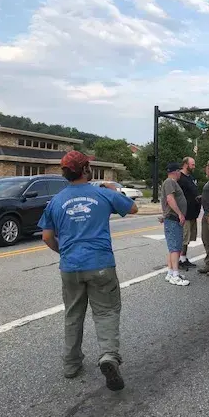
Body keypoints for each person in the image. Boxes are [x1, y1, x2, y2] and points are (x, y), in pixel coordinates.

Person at [38, 150, 138, 391]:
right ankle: (108, 356)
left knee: (73, 315)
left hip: (70, 267)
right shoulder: (103, 193)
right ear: (85, 170)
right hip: (101, 264)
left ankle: (71, 364)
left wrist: (64, 252)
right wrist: (113, 190)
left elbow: (47, 237)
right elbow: (133, 208)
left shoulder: (56, 201)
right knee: (106, 312)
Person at [160, 162, 190, 286]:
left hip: (171, 218)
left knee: (173, 247)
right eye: (179, 171)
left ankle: (170, 272)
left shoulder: (170, 183)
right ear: (176, 172)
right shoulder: (170, 182)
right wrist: (180, 214)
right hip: (173, 219)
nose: (180, 174)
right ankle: (175, 276)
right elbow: (170, 199)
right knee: (175, 248)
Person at [177, 156, 201, 270]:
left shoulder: (191, 177)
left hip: (192, 213)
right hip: (184, 214)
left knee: (188, 238)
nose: (194, 167)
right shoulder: (179, 178)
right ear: (186, 164)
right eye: (192, 164)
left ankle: (184, 258)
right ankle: (178, 260)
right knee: (183, 238)